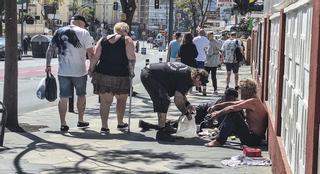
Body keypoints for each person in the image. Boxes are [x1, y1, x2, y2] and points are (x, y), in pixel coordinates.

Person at [45, 15, 95, 131]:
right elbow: (91, 53)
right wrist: (92, 68)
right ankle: (81, 120)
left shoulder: (59, 31)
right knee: (81, 95)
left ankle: (63, 123)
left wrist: (48, 65)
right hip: (80, 71)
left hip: (63, 71)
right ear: (80, 22)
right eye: (84, 24)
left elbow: (50, 49)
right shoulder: (84, 32)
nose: (85, 26)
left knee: (63, 97)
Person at [140, 62, 209, 141]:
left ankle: (164, 126)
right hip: (150, 75)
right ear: (198, 78)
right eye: (202, 82)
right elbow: (177, 99)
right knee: (163, 100)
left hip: (154, 74)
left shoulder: (191, 75)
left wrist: (187, 104)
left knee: (164, 100)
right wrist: (186, 113)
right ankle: (161, 133)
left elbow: (181, 93)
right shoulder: (186, 77)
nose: (202, 85)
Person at [89, 22, 136, 134]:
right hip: (121, 75)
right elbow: (131, 58)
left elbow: (95, 57)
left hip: (103, 74)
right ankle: (120, 123)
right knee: (121, 100)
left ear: (115, 30)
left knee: (105, 102)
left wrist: (91, 69)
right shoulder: (127, 40)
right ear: (125, 30)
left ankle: (104, 126)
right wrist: (131, 72)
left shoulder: (103, 39)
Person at [138, 88, 239, 131]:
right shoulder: (220, 103)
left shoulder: (233, 104)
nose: (231, 101)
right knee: (180, 126)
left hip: (203, 113)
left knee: (179, 125)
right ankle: (153, 126)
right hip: (201, 111)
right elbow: (216, 120)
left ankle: (153, 126)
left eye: (233, 99)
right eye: (229, 99)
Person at [204, 78, 268, 147]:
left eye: (241, 90)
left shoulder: (253, 101)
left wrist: (217, 113)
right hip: (251, 135)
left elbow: (232, 108)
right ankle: (220, 134)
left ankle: (219, 141)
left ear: (247, 90)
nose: (240, 93)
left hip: (253, 139)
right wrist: (216, 106)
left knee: (233, 113)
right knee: (233, 112)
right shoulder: (251, 99)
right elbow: (233, 103)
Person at [193, 29, 209, 95]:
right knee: (203, 74)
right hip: (203, 59)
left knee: (196, 73)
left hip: (195, 58)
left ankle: (197, 86)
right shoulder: (206, 40)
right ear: (204, 33)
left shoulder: (194, 39)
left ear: (199, 33)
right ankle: (204, 87)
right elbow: (207, 48)